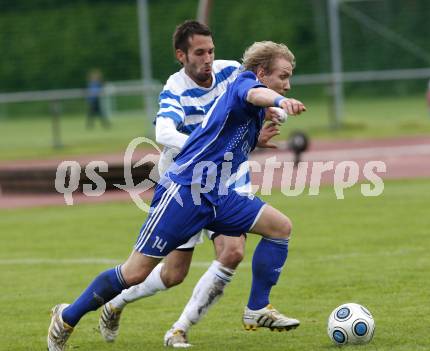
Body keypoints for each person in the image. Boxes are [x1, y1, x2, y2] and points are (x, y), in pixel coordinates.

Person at [47, 39, 306, 351]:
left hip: (217, 195)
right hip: (184, 193)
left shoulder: (252, 113)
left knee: (280, 228)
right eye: (283, 76)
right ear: (262, 72)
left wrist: (255, 140)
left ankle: (257, 308)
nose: (287, 85)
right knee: (135, 272)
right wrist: (278, 100)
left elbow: (223, 144)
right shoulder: (245, 83)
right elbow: (255, 93)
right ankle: (67, 317)